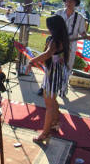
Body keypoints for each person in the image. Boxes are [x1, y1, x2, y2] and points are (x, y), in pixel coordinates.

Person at [25, 15, 70, 144]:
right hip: (56, 72)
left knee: (49, 104)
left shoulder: (55, 41)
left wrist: (31, 61)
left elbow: (47, 54)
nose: (48, 29)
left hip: (53, 75)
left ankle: (45, 133)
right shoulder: (63, 39)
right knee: (52, 100)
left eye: (49, 27)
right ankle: (55, 122)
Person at [37, 0, 90, 96]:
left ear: (75, 3)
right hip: (56, 45)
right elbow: (52, 27)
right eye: (67, 1)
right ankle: (44, 87)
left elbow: (82, 32)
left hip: (70, 47)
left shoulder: (79, 18)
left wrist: (87, 35)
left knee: (67, 67)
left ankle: (62, 89)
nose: (68, 3)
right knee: (50, 65)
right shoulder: (58, 13)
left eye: (71, 1)